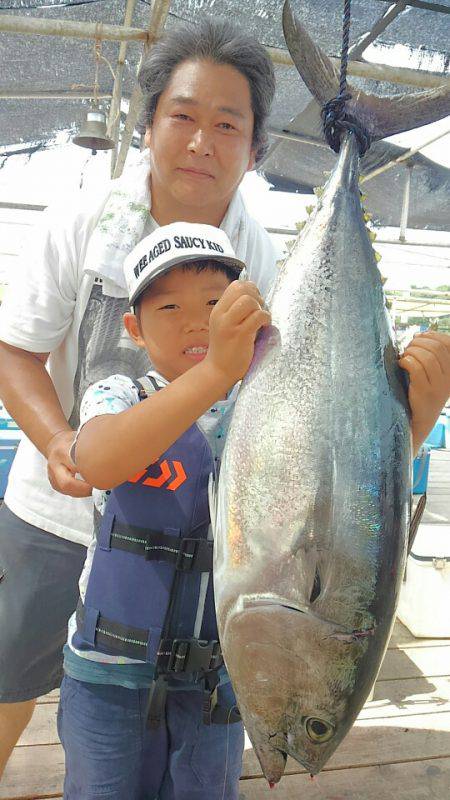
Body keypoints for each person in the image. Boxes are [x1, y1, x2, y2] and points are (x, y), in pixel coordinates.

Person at [0, 17, 278, 776]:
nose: (201, 141)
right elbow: (15, 350)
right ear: (147, 125)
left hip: (186, 535)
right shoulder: (82, 220)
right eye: (183, 116)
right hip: (55, 509)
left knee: (157, 706)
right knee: (8, 680)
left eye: (228, 124)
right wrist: (61, 443)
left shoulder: (262, 258)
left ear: (255, 149)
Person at [58, 221, 271, 799]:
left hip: (215, 680)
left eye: (215, 302)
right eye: (169, 305)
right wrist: (215, 373)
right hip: (108, 675)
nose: (196, 320)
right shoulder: (116, 395)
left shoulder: (261, 405)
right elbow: (99, 461)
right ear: (134, 328)